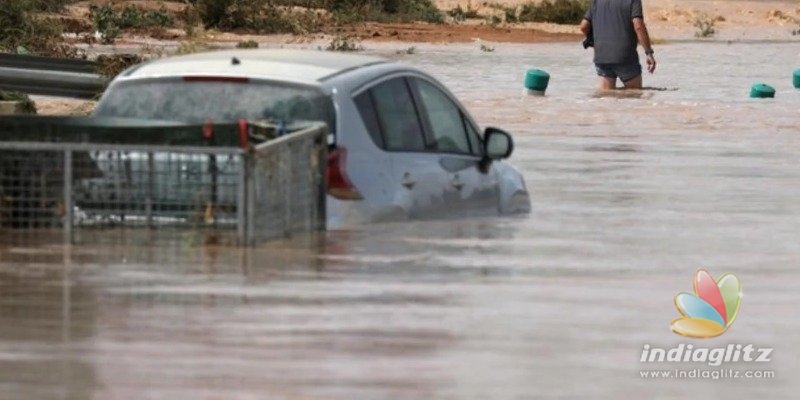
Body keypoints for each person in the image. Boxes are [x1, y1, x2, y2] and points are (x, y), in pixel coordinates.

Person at [580, 0, 656, 90]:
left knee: (605, 98)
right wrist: (648, 53)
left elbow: (583, 26)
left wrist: (592, 41)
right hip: (625, 56)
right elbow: (638, 26)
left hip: (602, 56)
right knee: (634, 95)